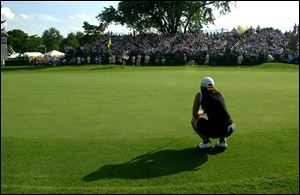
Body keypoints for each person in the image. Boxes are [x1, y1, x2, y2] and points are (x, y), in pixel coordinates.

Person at [191, 76, 236, 149]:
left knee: (194, 120)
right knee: (222, 118)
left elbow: (195, 114)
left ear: (202, 86)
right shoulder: (221, 94)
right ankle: (222, 142)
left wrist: (202, 112)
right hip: (230, 128)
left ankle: (206, 142)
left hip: (215, 131)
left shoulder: (200, 95)